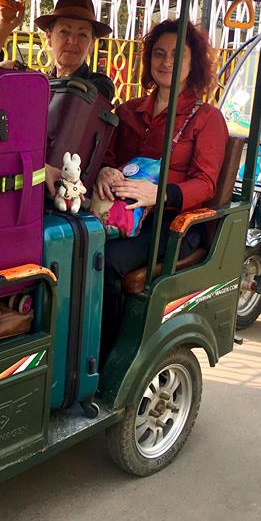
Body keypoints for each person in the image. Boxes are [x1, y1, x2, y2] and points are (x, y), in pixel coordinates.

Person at [95, 20, 228, 328]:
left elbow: (206, 183)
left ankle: (103, 350)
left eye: (176, 55)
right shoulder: (128, 110)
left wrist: (160, 193)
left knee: (106, 260)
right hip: (120, 214)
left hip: (171, 226)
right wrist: (105, 171)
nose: (166, 62)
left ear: (192, 63)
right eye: (158, 54)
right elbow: (108, 156)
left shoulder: (207, 118)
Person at [0, 0, 117, 195]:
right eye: (64, 32)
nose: (72, 41)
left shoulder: (99, 85)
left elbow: (75, 92)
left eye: (83, 35)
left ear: (91, 44)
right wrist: (2, 30)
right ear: (48, 37)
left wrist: (27, 76)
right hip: (27, 176)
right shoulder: (37, 81)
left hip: (72, 190)